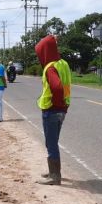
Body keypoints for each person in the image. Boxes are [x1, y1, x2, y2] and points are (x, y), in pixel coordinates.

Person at [35, 35, 71, 185]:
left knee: (51, 143)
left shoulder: (50, 68)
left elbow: (56, 87)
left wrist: (54, 104)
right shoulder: (62, 64)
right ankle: (53, 171)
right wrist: (62, 105)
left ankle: (55, 176)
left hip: (52, 110)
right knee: (53, 141)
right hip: (62, 110)